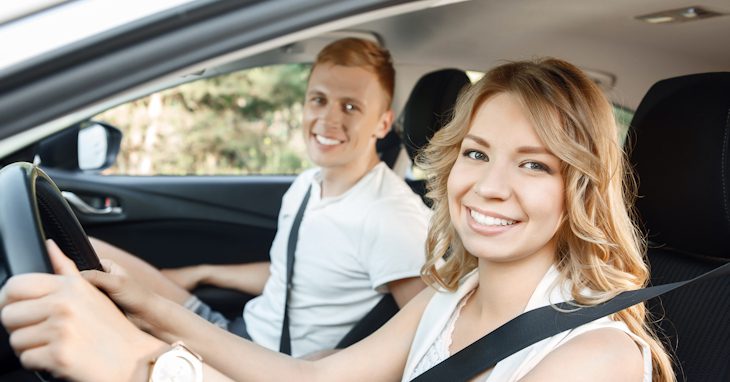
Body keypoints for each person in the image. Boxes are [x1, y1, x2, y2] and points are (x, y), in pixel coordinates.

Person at [0, 58, 675, 382]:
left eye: (534, 165)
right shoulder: (453, 294)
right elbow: (314, 380)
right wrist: (153, 310)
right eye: (477, 152)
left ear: (579, 189)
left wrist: (146, 368)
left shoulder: (595, 358)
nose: (488, 187)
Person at [86, 37, 431, 358]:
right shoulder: (307, 185)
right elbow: (292, 272)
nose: (328, 119)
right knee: (89, 252)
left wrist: (325, 370)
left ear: (383, 124)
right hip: (234, 334)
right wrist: (202, 272)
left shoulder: (390, 216)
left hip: (264, 366)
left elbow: (425, 335)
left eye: (351, 107)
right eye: (319, 100)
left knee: (90, 339)